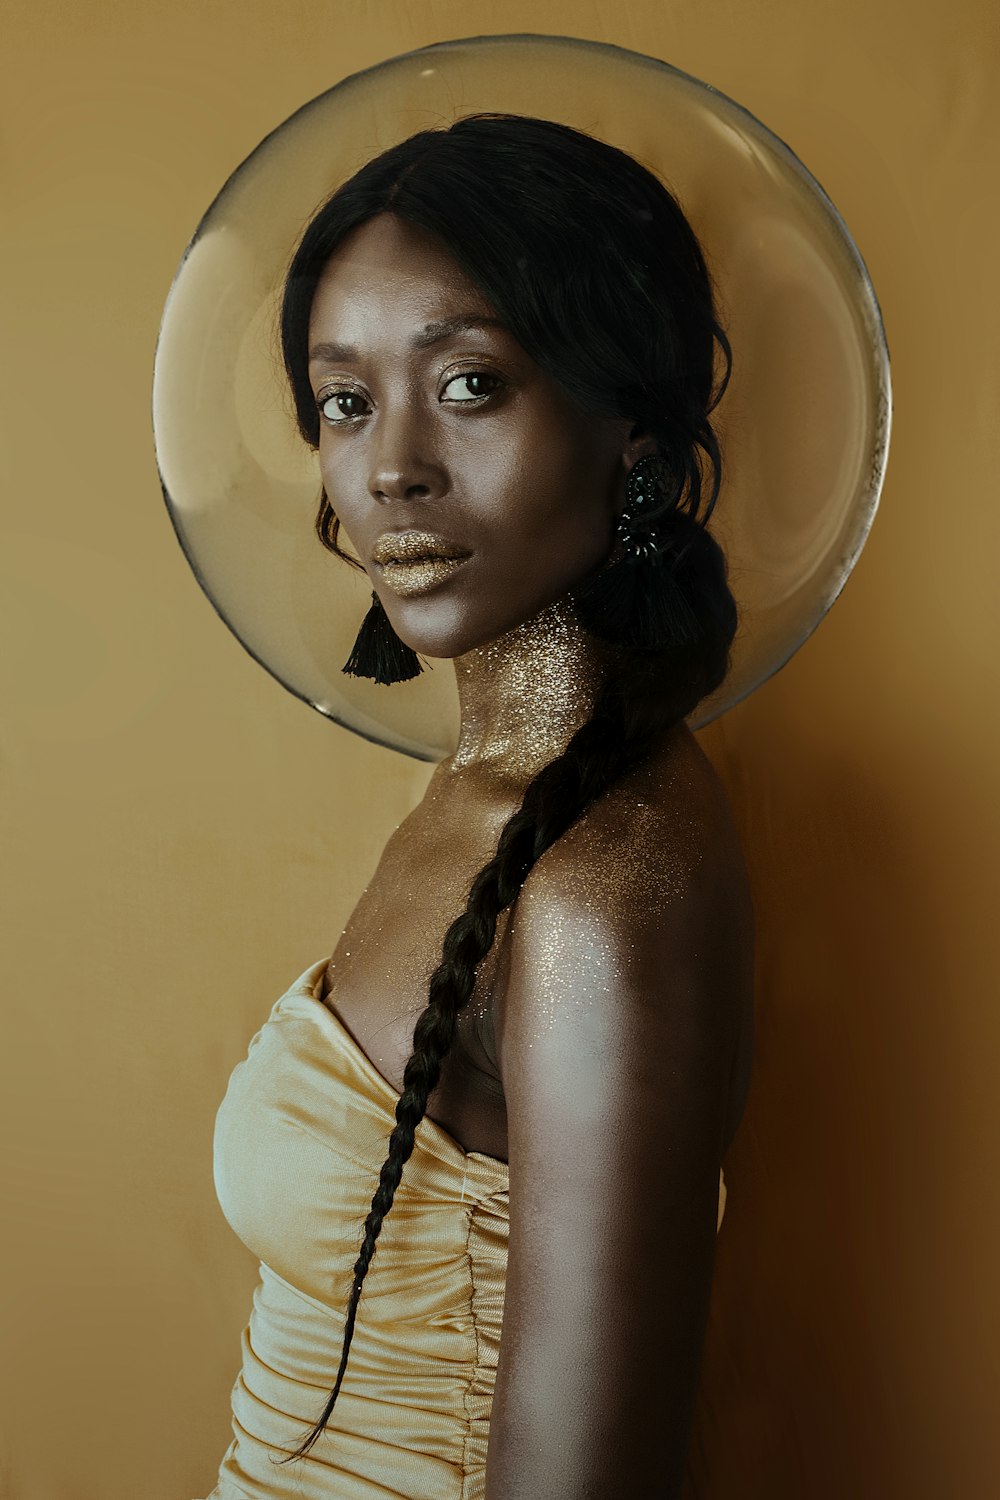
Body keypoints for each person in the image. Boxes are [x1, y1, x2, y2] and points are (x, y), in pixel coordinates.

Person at [198, 111, 755, 1500]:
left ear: (628, 427)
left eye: (467, 387)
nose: (391, 468)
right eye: (345, 400)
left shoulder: (598, 883)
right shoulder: (484, 791)